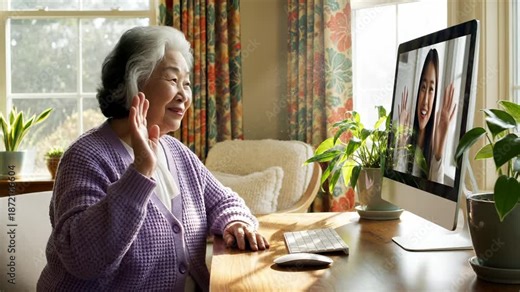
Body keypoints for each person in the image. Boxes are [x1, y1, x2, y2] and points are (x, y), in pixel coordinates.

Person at [37, 26, 269, 291]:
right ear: (135, 83)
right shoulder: (86, 156)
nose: (184, 95)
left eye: (187, 84)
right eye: (172, 80)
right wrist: (140, 171)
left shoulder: (177, 152)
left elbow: (223, 200)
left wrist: (235, 222)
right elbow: (83, 260)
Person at [396, 48, 456, 183]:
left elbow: (436, 197)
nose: (425, 101)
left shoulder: (433, 153)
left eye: (431, 90)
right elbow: (397, 187)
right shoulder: (407, 143)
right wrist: (400, 144)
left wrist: (439, 149)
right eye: (423, 88)